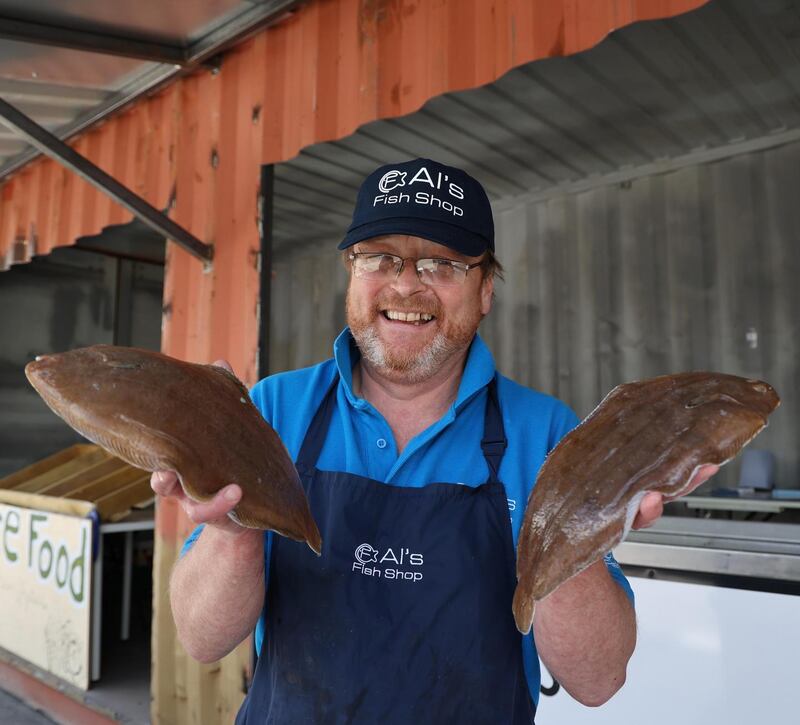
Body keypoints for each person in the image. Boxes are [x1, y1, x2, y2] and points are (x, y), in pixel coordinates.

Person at [152, 158, 717, 724]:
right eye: (380, 258)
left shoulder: (544, 433)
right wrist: (233, 535)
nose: (405, 284)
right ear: (352, 272)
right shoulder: (274, 410)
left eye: (441, 263)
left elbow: (596, 680)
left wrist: (573, 543)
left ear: (486, 289)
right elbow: (203, 640)